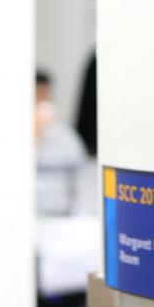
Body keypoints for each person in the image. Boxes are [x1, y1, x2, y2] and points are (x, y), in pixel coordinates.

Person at [35, 70, 87, 215]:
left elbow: (82, 187)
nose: (42, 107)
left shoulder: (67, 140)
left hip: (61, 220)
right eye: (37, 99)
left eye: (46, 99)